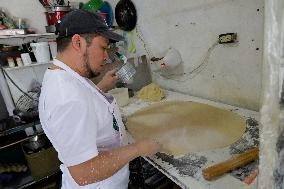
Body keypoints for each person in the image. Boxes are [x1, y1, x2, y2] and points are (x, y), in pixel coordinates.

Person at [39, 10, 161, 189]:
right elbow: (84, 172)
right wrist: (139, 148)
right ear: (77, 42)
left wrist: (100, 87)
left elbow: (83, 108)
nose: (106, 56)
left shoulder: (66, 76)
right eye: (103, 48)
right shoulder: (67, 97)